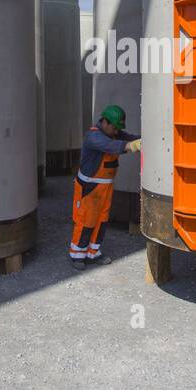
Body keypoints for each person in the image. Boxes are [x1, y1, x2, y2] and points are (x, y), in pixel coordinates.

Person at [68, 104, 140, 270]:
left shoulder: (113, 133)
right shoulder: (93, 136)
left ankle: (93, 253)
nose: (117, 132)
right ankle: (77, 255)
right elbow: (111, 146)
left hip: (105, 187)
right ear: (105, 122)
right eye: (114, 128)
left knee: (101, 220)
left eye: (118, 129)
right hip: (89, 187)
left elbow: (128, 138)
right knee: (86, 220)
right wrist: (132, 146)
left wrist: (144, 139)